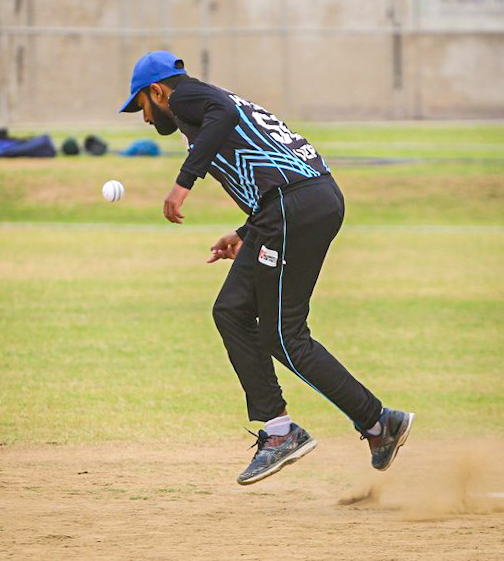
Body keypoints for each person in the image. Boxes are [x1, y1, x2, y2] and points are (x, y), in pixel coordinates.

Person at [120, 50, 414, 485]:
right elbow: (257, 153)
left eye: (141, 105)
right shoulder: (205, 106)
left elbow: (224, 114)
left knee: (284, 335)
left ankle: (359, 424)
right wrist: (247, 231)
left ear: (158, 91)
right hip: (292, 206)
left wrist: (183, 184)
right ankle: (307, 427)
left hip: (294, 206)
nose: (144, 118)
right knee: (232, 310)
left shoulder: (188, 98)